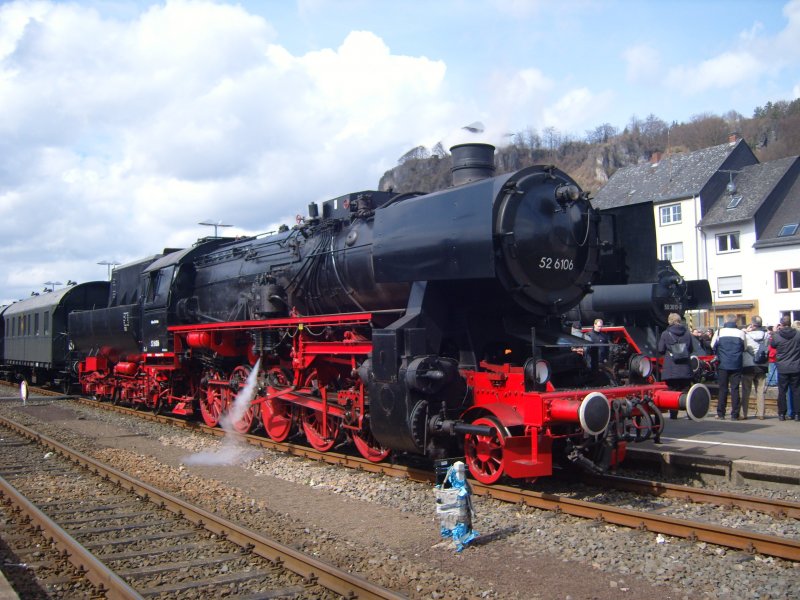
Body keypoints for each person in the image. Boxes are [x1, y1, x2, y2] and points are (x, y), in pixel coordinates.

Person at [657, 313, 694, 419]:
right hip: (685, 367)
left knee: (672, 391)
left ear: (670, 321)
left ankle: (673, 415)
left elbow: (661, 349)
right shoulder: (687, 333)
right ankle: (689, 413)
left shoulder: (665, 334)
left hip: (671, 368)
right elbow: (691, 349)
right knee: (686, 390)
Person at [711, 314, 746, 419]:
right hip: (736, 364)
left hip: (723, 364)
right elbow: (744, 347)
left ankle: (721, 413)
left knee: (723, 389)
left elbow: (712, 345)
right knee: (735, 389)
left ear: (725, 321)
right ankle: (735, 414)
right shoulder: (741, 333)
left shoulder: (719, 332)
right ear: (736, 322)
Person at [770, 316, 800, 421]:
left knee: (782, 391)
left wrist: (774, 332)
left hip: (782, 367)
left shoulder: (777, 335)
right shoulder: (798, 334)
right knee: (796, 391)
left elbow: (772, 345)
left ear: (781, 324)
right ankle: (797, 414)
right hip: (796, 366)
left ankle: (782, 414)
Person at [741, 316, 768, 419]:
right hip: (762, 365)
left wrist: (745, 331)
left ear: (752, 325)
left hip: (748, 366)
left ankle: (743, 414)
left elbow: (744, 348)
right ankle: (761, 414)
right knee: (760, 391)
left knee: (746, 390)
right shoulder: (766, 335)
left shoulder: (746, 336)